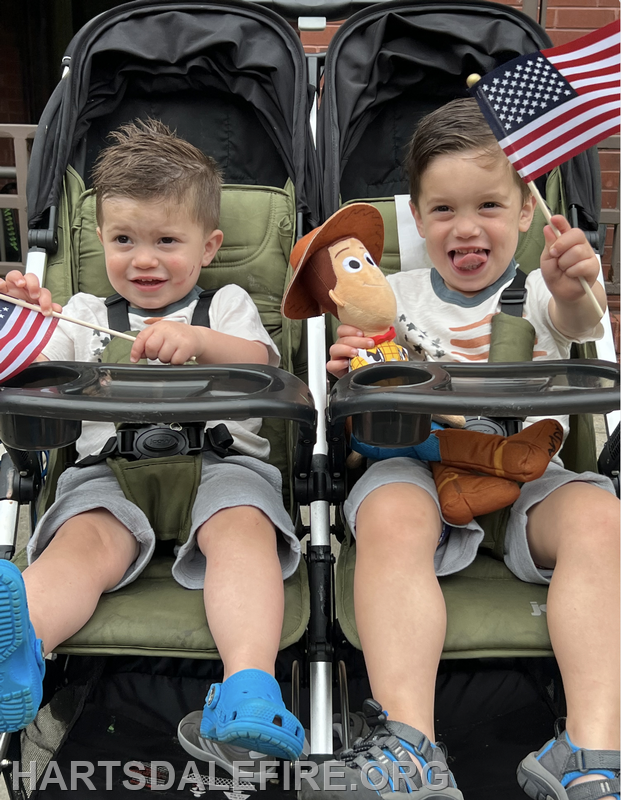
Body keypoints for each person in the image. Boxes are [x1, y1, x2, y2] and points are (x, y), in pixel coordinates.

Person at [321, 99, 620, 800]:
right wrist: (348, 367)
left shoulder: (542, 292)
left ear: (525, 210)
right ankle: (409, 746)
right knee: (388, 513)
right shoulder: (388, 295)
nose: (465, 227)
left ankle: (590, 749)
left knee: (602, 518)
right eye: (443, 210)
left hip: (527, 476)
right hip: (415, 467)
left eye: (489, 205)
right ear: (416, 219)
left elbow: (578, 320)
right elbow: (359, 387)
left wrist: (577, 285)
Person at [0, 119, 305, 771]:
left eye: (166, 240)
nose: (143, 260)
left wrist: (198, 342)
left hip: (220, 466)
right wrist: (30, 319)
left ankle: (248, 687)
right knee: (81, 548)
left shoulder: (225, 306)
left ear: (208, 245)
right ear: (100, 239)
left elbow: (262, 362)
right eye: (124, 240)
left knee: (243, 534)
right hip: (110, 473)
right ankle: (21, 652)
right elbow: (33, 378)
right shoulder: (85, 314)